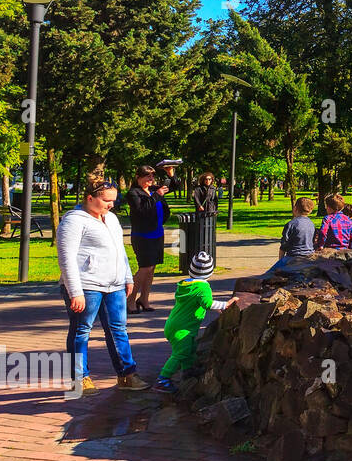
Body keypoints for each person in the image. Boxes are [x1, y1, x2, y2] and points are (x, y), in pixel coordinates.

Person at [56, 177, 149, 393]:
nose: (111, 205)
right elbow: (66, 258)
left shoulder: (111, 219)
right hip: (86, 286)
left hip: (113, 285)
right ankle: (80, 378)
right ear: (90, 198)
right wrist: (75, 291)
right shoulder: (73, 221)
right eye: (107, 200)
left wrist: (127, 277)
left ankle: (127, 374)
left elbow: (120, 250)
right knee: (81, 330)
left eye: (114, 200)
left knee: (118, 330)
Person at [153, 251, 231, 394]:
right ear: (210, 272)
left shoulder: (185, 285)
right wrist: (225, 305)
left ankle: (188, 371)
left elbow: (198, 302)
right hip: (182, 329)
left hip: (174, 325)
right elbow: (207, 304)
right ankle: (162, 379)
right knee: (180, 353)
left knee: (189, 349)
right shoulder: (203, 287)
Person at [125, 165, 169, 312]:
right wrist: (156, 195)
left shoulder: (152, 190)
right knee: (145, 267)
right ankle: (129, 300)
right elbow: (142, 210)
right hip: (142, 235)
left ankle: (144, 299)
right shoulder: (133, 193)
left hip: (157, 232)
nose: (151, 179)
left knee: (152, 268)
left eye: (152, 176)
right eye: (147, 176)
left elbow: (173, 186)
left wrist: (171, 174)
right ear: (138, 177)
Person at [272, 196, 317, 270]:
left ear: (295, 208)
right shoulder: (311, 224)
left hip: (293, 256)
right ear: (310, 211)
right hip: (309, 256)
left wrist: (280, 261)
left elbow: (284, 244)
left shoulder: (291, 224)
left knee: (270, 274)